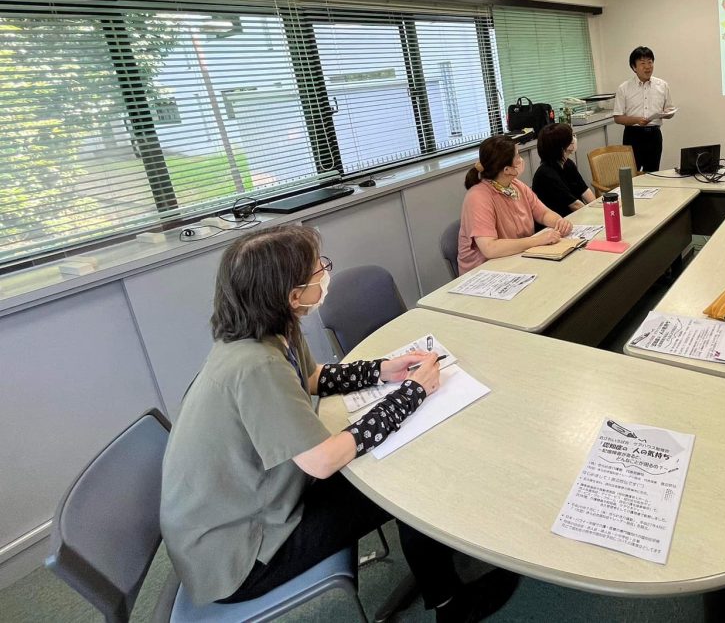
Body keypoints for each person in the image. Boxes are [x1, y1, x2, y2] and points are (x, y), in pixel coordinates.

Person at [160, 227, 517, 621]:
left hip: (253, 503)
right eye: (319, 270)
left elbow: (311, 378)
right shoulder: (255, 365)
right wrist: (412, 394)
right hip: (240, 555)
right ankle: (452, 605)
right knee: (405, 479)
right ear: (293, 295)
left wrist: (384, 371)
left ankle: (436, 558)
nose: (325, 273)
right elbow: (323, 461)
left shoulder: (267, 328)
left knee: (394, 456)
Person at [458, 134, 572, 274]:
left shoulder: (515, 185)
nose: (520, 159)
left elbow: (542, 213)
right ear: (507, 170)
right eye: (517, 156)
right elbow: (490, 248)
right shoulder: (477, 197)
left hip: (517, 259)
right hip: (485, 272)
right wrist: (537, 240)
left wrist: (559, 222)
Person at [612, 46, 675, 173]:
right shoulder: (624, 88)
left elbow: (669, 110)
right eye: (642, 63)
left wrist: (667, 114)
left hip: (654, 135)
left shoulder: (662, 85)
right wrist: (636, 120)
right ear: (634, 67)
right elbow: (618, 117)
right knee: (631, 173)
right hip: (632, 135)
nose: (648, 67)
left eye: (650, 62)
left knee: (653, 173)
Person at [532, 123, 596, 217]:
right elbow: (574, 205)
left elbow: (584, 190)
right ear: (562, 147)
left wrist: (598, 209)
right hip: (560, 222)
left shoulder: (568, 164)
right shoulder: (545, 174)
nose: (574, 139)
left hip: (577, 216)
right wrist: (592, 215)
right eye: (571, 138)